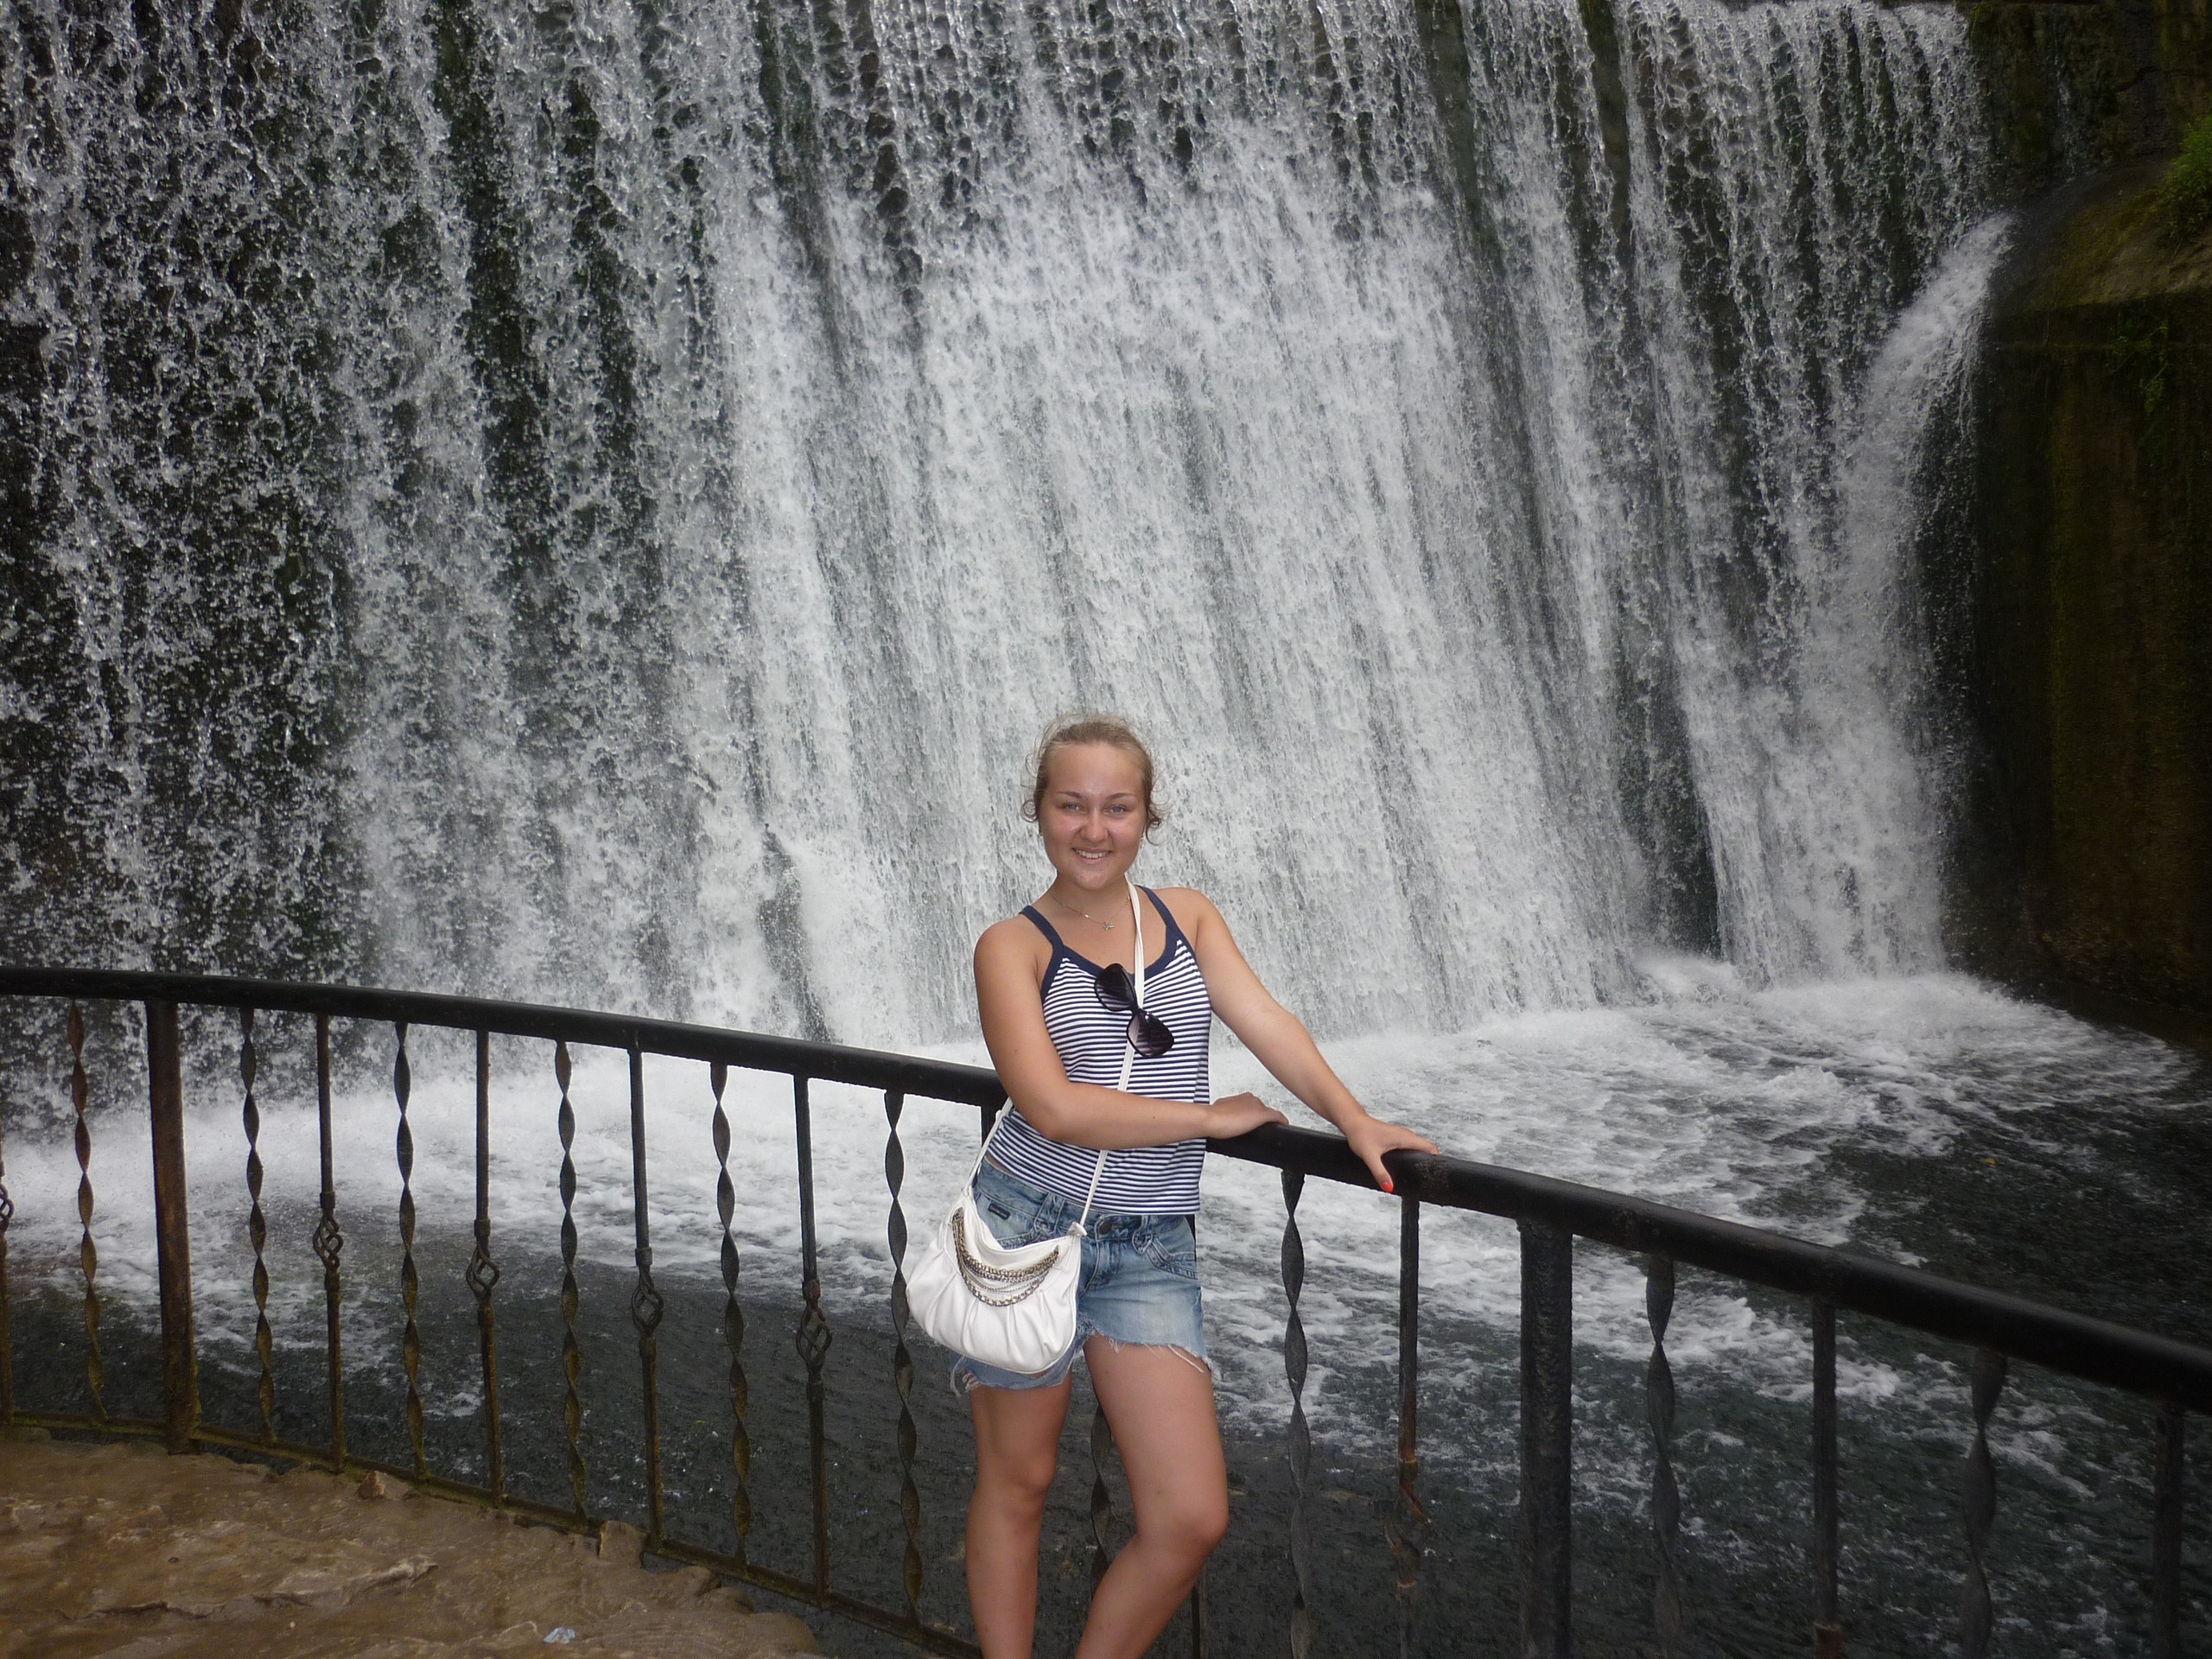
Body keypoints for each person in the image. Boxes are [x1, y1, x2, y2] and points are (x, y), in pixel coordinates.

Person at [963, 715, 1439, 1659]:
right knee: (1019, 1482)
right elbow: (1052, 1108)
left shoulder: (1187, 918)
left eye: (1117, 808)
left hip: (1149, 1243)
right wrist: (1207, 1119)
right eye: (1072, 805)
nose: (1093, 829)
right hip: (1024, 1230)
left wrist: (1352, 1119)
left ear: (1148, 816)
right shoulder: (1010, 947)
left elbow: (1267, 1020)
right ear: (1038, 811)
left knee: (1189, 1517)